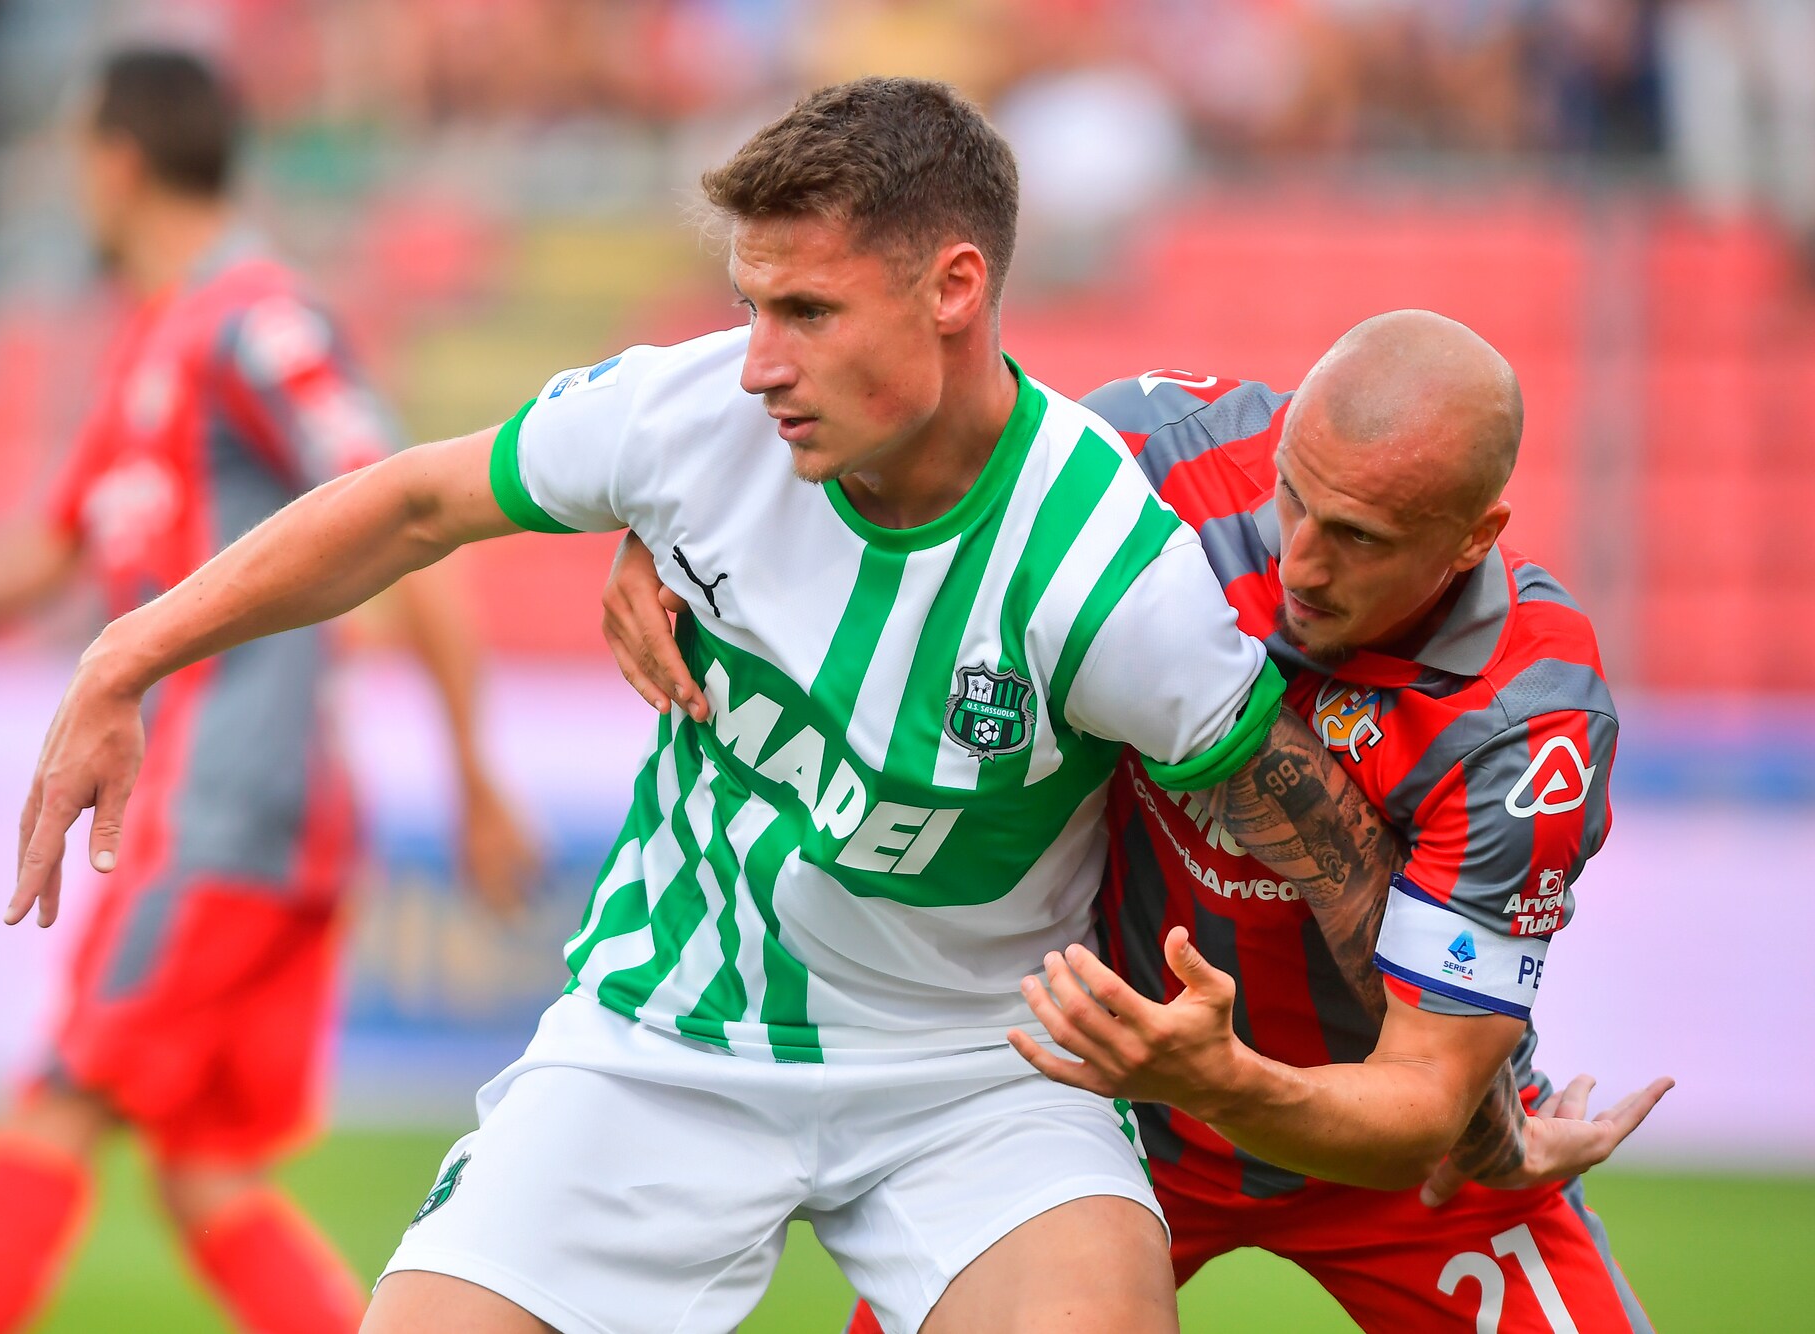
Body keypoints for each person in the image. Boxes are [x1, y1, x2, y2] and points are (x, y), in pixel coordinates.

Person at [0, 77, 1449, 1334]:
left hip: (977, 1069)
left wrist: (1465, 1077)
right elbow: (412, 503)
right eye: (751, 306)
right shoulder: (694, 415)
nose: (760, 361)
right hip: (665, 1029)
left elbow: (1311, 832)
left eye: (806, 311)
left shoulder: (1110, 575)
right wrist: (126, 654)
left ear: (954, 289)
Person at [604, 314, 1670, 1333]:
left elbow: (1424, 1106)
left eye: (1358, 537)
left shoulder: (1528, 728)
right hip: (1094, 1109)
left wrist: (1223, 1079)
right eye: (1293, 496)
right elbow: (905, 489)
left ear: (1475, 536)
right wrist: (674, 548)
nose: (1299, 561)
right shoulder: (1158, 459)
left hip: (1394, 1161)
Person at [0, 48, 535, 1334]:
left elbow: (412, 509)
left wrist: (475, 771)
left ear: (115, 161)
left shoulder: (257, 322)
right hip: (225, 816)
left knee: (58, 1096)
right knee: (204, 1170)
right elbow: (47, 547)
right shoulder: (156, 339)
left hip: (225, 809)